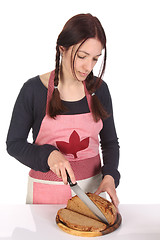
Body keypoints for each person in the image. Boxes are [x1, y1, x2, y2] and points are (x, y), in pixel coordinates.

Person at [6, 13, 120, 208]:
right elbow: (14, 144)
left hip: (91, 193)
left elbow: (109, 143)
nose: (88, 67)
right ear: (62, 49)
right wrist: (48, 155)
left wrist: (110, 175)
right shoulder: (34, 90)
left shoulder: (100, 90)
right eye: (82, 56)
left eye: (95, 59)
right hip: (45, 193)